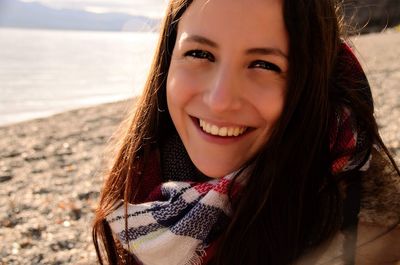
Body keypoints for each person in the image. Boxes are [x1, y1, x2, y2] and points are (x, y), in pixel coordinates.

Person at [92, 0, 400, 264]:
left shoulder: (367, 238)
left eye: (264, 64)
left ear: (310, 82)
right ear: (168, 59)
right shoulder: (144, 184)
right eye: (200, 54)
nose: (220, 100)